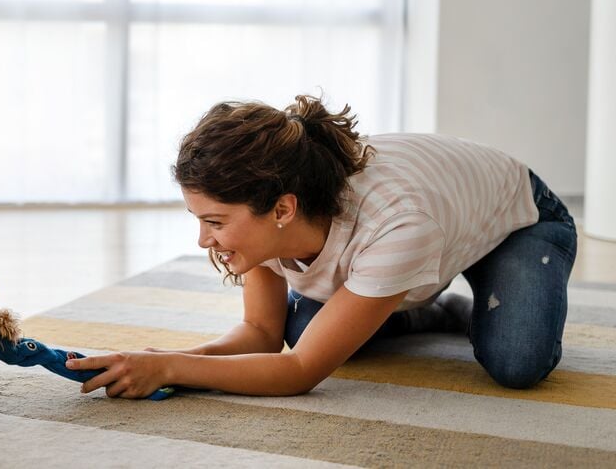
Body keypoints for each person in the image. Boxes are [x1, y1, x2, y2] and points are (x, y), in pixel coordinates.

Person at [66, 95, 577, 397]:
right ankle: (431, 309)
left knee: (517, 362)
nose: (203, 240)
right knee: (304, 327)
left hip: (518, 218)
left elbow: (299, 371)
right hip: (441, 221)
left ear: (283, 210)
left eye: (215, 222)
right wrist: (162, 358)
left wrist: (174, 369)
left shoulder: (397, 225)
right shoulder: (274, 208)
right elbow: (262, 333)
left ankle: (467, 300)